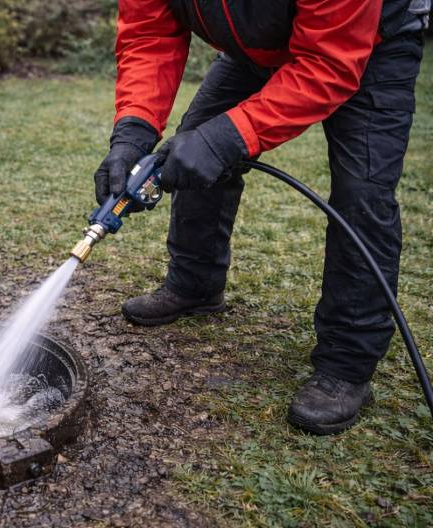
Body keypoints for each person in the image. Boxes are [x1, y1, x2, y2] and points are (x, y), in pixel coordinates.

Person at [94, 0, 429, 435]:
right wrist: (133, 130)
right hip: (253, 49)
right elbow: (149, 33)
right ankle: (195, 286)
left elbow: (328, 62)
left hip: (369, 45)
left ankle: (347, 363)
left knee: (362, 195)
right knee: (196, 142)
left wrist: (226, 140)